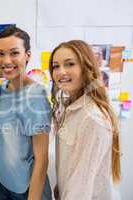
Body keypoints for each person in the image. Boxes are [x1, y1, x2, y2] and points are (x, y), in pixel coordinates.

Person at [49, 40, 121, 200]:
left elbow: (80, 187)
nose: (61, 72)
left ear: (86, 68)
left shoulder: (92, 118)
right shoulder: (68, 108)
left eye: (70, 64)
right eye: (56, 66)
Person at [0, 26, 52, 200]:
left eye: (14, 53)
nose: (6, 60)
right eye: (1, 53)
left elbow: (41, 160)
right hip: (4, 183)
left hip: (27, 190)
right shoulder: (4, 88)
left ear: (27, 55)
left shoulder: (35, 96)